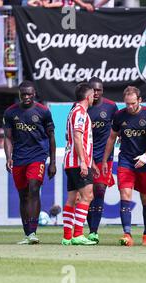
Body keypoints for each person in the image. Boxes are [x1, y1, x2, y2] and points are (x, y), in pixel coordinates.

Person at [3, 80, 56, 244]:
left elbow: (52, 137)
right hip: (19, 157)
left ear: (34, 94)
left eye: (29, 94)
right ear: (19, 94)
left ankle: (33, 231)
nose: (26, 96)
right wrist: (8, 157)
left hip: (38, 156)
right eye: (23, 94)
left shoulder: (43, 111)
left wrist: (52, 162)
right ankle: (27, 233)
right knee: (23, 195)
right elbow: (8, 138)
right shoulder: (10, 112)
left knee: (34, 188)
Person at [102, 86, 146, 246]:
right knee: (125, 196)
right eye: (127, 103)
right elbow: (112, 138)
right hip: (125, 161)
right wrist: (105, 160)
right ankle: (127, 234)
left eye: (133, 103)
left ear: (140, 100)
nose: (130, 107)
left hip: (145, 163)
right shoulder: (119, 115)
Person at [62, 82, 98, 246]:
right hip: (77, 162)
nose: (94, 98)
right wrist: (84, 162)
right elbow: (77, 137)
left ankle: (67, 237)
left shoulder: (73, 111)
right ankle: (77, 235)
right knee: (87, 196)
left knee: (72, 198)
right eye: (92, 95)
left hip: (71, 162)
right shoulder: (80, 112)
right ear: (88, 96)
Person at [85, 77, 118, 244]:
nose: (96, 93)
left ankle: (93, 231)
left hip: (105, 157)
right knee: (87, 194)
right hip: (85, 156)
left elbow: (118, 127)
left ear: (102, 90)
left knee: (99, 190)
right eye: (93, 90)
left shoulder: (111, 107)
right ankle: (89, 227)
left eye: (99, 90)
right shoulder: (81, 107)